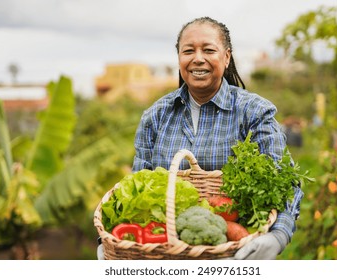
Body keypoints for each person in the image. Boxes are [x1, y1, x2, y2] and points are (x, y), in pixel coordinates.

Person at [98, 16, 303, 260]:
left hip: (237, 254)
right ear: (179, 59)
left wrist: (278, 235)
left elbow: (284, 180)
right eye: (188, 51)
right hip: (164, 253)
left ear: (226, 57)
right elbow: (136, 185)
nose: (197, 58)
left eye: (208, 50)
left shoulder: (255, 112)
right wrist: (109, 239)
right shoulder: (155, 116)